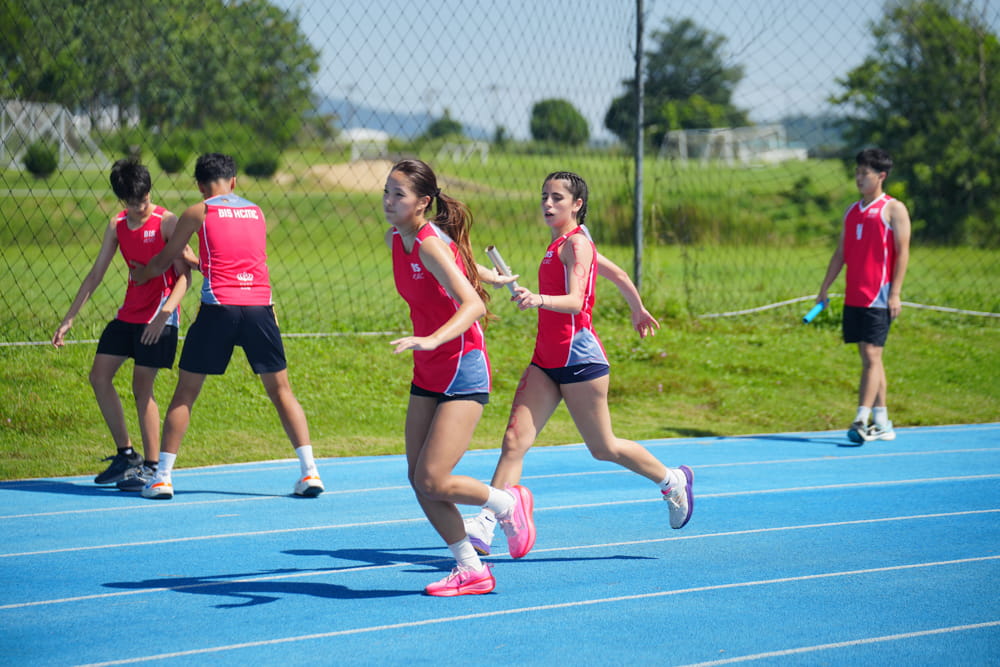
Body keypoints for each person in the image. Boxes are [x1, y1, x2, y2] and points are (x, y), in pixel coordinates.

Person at [465, 171, 694, 556]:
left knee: (603, 447)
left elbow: (575, 301)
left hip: (577, 359)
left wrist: (539, 299)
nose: (548, 204)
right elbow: (618, 273)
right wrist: (637, 308)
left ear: (577, 204)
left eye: (557, 198)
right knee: (513, 442)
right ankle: (489, 521)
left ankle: (672, 481)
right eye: (544, 197)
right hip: (545, 359)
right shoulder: (559, 245)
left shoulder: (576, 246)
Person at [129, 153, 324, 499]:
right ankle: (310, 472)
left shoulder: (198, 211)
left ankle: (162, 478)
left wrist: (142, 272)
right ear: (234, 182)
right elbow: (238, 261)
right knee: (281, 391)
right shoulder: (257, 212)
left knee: (186, 392)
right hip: (261, 307)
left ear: (201, 187)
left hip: (219, 307)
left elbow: (164, 260)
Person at [384, 158, 535, 597]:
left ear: (423, 202)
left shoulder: (429, 243)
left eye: (399, 195)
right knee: (419, 478)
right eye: (387, 192)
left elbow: (473, 305)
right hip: (429, 370)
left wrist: (432, 338)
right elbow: (458, 262)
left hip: (462, 367)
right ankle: (472, 569)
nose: (389, 201)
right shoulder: (401, 238)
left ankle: (507, 503)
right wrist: (486, 272)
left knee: (433, 478)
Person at [52, 158, 192, 491]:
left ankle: (153, 467)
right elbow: (96, 274)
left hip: (159, 317)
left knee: (142, 389)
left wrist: (164, 315)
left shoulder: (167, 222)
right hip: (129, 314)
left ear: (149, 193)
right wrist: (69, 318)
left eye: (143, 199)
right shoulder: (116, 225)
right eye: (132, 202)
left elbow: (185, 277)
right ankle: (126, 453)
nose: (139, 206)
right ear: (122, 199)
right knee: (99, 376)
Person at [816, 148, 911, 444]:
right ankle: (882, 420)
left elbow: (903, 253)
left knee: (872, 355)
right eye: (856, 173)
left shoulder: (894, 209)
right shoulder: (851, 210)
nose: (859, 178)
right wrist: (824, 287)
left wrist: (895, 293)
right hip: (854, 295)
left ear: (881, 176)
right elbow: (841, 252)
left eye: (864, 173)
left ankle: (861, 419)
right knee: (870, 357)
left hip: (878, 296)